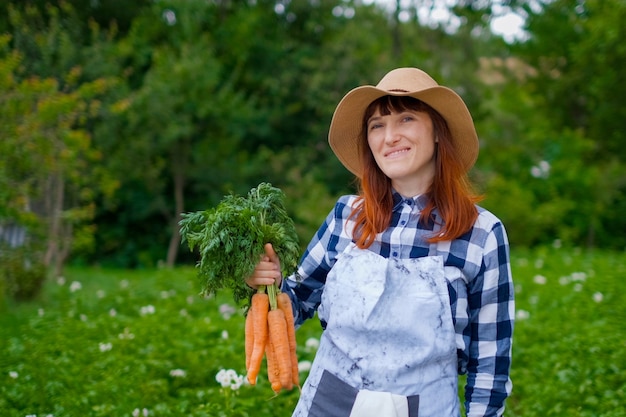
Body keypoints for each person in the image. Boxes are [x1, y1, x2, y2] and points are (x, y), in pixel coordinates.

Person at [246, 67, 514, 417]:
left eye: (406, 119)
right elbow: (294, 303)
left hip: (425, 408)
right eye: (377, 125)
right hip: (328, 404)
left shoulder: (481, 234)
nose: (390, 137)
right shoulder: (346, 216)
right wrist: (268, 285)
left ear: (437, 132)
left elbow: (490, 364)